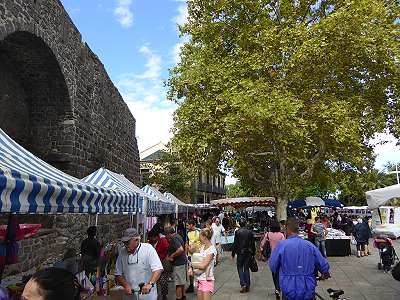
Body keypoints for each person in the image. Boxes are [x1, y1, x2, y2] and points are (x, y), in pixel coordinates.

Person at [269, 218, 330, 300]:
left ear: (287, 229)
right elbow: (322, 264)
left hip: (288, 287)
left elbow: (273, 266)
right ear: (298, 230)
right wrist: (325, 273)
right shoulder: (309, 245)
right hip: (307, 287)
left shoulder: (282, 245)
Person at [115, 228, 163, 300]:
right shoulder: (122, 252)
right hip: (130, 296)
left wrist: (150, 284)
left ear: (137, 240)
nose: (125, 245)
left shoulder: (148, 249)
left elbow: (158, 269)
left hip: (148, 296)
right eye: (124, 242)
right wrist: (126, 285)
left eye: (127, 242)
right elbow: (118, 273)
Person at [260, 221, 285, 298]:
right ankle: (280, 287)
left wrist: (262, 250)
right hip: (281, 257)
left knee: (274, 274)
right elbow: (285, 245)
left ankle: (277, 288)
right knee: (281, 273)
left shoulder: (268, 234)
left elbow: (262, 244)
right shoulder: (281, 235)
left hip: (272, 257)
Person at [190, 228, 217, 300]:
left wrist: (191, 264)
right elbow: (193, 254)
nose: (199, 238)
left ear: (204, 237)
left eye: (200, 236)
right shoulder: (202, 247)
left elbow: (203, 265)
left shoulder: (211, 250)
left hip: (207, 280)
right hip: (199, 279)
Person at [231, 219, 255, 293]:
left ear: (240, 224)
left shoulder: (237, 232)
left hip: (240, 252)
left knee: (240, 268)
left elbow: (235, 243)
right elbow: (252, 243)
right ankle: (247, 285)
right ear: (245, 223)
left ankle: (243, 284)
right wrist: (253, 252)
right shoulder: (250, 232)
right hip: (248, 252)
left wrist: (233, 253)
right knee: (246, 268)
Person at [165, 226, 188, 300]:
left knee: (178, 283)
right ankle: (183, 296)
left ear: (169, 234)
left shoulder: (174, 239)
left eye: (166, 234)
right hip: (182, 262)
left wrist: (172, 256)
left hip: (178, 263)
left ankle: (179, 297)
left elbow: (180, 249)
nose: (165, 236)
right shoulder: (178, 236)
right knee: (182, 281)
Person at [148, 229, 170, 300]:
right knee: (155, 279)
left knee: (163, 280)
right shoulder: (151, 243)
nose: (151, 239)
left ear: (156, 237)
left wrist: (166, 257)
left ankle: (164, 295)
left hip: (163, 261)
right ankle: (156, 294)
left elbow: (168, 249)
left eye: (152, 237)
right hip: (155, 262)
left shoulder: (162, 240)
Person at [186, 220, 202, 293]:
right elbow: (186, 243)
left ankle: (199, 286)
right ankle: (191, 285)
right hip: (190, 254)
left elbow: (203, 242)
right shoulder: (188, 233)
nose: (187, 226)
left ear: (192, 225)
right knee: (190, 270)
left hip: (198, 254)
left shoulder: (199, 231)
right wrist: (186, 253)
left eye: (188, 225)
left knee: (198, 270)